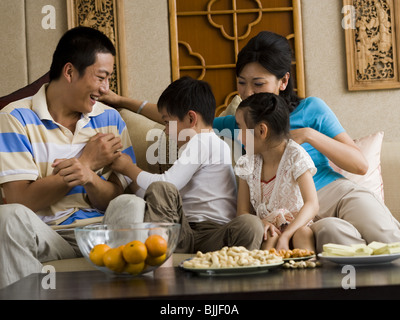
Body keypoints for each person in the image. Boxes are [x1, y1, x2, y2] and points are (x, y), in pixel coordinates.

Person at [101, 31, 400, 252]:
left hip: (333, 191)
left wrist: (308, 135)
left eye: (258, 84)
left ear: (283, 82)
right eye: (242, 83)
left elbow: (359, 165)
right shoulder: (238, 125)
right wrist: (121, 100)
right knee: (338, 239)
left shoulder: (313, 109)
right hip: (291, 215)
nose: (248, 93)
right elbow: (181, 117)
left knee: (385, 235)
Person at [0, 26, 136, 288]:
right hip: (49, 237)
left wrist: (90, 179)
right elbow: (20, 201)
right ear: (70, 72)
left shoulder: (110, 119)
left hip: (103, 233)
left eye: (109, 79)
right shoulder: (14, 118)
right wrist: (86, 162)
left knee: (131, 205)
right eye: (101, 77)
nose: (105, 88)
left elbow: (121, 197)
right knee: (7, 218)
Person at [107, 76, 264, 253]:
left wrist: (129, 168)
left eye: (167, 122)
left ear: (191, 118)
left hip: (214, 233)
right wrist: (127, 176)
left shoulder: (204, 141)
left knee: (250, 224)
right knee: (161, 190)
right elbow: (161, 196)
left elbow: (167, 184)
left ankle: (161, 258)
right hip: (185, 230)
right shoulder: (192, 147)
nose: (165, 131)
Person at [234, 92, 318, 251]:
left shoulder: (295, 156)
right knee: (270, 238)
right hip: (268, 229)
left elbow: (312, 204)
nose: (238, 136)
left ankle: (307, 270)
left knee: (303, 234)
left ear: (261, 131)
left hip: (296, 225)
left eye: (241, 129)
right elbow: (242, 212)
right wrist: (262, 223)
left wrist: (287, 234)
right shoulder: (246, 163)